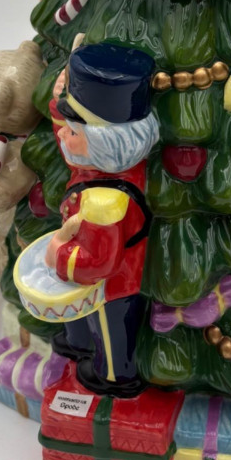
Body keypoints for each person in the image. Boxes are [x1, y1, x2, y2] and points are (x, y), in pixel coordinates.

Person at [46, 42, 159, 396]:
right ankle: (78, 343)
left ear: (102, 145)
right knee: (83, 315)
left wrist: (57, 253)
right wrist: (60, 99)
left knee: (111, 333)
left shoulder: (106, 202)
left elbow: (96, 264)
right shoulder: (108, 164)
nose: (63, 134)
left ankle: (114, 377)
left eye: (72, 132)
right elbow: (70, 146)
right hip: (94, 275)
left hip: (114, 285)